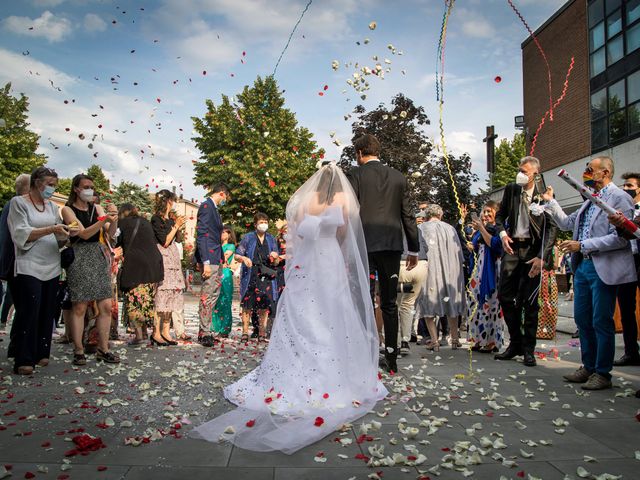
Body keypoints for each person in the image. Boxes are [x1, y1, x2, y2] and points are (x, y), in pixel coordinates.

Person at [192, 163, 386, 454]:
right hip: (329, 258)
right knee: (332, 313)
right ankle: (332, 371)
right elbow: (346, 236)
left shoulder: (304, 200)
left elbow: (294, 234)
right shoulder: (344, 200)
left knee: (305, 312)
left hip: (309, 262)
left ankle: (295, 367)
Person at [543, 156, 636, 390]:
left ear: (604, 173)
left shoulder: (620, 198)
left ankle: (602, 372)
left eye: (590, 169)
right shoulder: (589, 199)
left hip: (603, 266)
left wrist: (583, 245)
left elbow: (621, 239)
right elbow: (567, 224)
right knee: (583, 320)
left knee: (600, 320)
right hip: (582, 267)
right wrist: (551, 203)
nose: (585, 172)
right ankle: (589, 366)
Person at [347, 134, 419, 373]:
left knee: (362, 301)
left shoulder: (355, 175)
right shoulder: (399, 177)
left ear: (359, 153)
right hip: (391, 246)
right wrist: (414, 248)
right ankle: (391, 358)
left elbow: (348, 211)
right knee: (389, 303)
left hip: (363, 245)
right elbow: (408, 214)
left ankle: (363, 354)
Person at [7, 167, 73, 374]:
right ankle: (23, 357)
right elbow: (20, 233)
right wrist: (50, 229)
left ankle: (41, 352)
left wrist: (66, 233)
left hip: (51, 263)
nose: (52, 189)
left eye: (54, 185)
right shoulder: (19, 203)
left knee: (47, 310)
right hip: (29, 264)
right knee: (30, 309)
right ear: (37, 182)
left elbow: (59, 236)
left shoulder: (53, 207)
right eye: (50, 184)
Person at [494, 156, 557, 367]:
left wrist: (542, 256)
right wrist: (503, 234)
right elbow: (500, 216)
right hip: (513, 246)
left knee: (529, 301)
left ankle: (528, 349)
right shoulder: (512, 189)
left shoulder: (544, 192)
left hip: (532, 249)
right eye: (519, 170)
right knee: (505, 295)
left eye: (525, 171)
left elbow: (552, 227)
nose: (520, 174)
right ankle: (516, 342)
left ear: (535, 174)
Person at [61, 174, 120, 365]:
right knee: (80, 305)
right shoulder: (67, 210)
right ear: (76, 189)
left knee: (105, 306)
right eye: (86, 186)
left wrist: (115, 220)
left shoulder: (98, 208)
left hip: (98, 255)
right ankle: (78, 349)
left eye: (92, 187)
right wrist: (103, 221)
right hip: (79, 256)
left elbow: (110, 234)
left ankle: (103, 348)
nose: (90, 190)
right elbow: (83, 234)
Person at [415, 204, 466, 351]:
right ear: (440, 215)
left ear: (426, 216)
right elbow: (458, 252)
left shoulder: (422, 228)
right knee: (452, 301)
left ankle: (434, 340)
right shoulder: (450, 229)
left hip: (430, 268)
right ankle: (455, 338)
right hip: (451, 269)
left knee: (428, 301)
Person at [116, 203, 164, 345]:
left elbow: (116, 242)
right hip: (153, 265)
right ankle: (145, 332)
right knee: (146, 301)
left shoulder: (123, 223)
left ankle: (139, 335)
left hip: (135, 266)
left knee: (134, 301)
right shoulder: (145, 222)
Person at [194, 182, 230, 347]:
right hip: (210, 259)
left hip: (217, 258)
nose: (226, 201)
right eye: (226, 197)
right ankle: (204, 332)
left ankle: (206, 329)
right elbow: (202, 235)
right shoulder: (207, 206)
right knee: (207, 296)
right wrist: (205, 261)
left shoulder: (214, 208)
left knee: (213, 296)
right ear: (222, 193)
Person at [235, 213, 280, 343]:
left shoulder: (271, 239)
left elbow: (276, 262)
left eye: (266, 221)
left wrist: (275, 256)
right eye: (261, 222)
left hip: (266, 274)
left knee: (264, 305)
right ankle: (244, 332)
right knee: (247, 304)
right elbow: (237, 255)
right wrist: (244, 258)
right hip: (250, 273)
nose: (264, 224)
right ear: (255, 224)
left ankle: (262, 332)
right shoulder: (248, 238)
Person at [611, 172, 640, 367]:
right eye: (624, 186)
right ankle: (631, 351)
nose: (626, 188)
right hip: (627, 260)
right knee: (626, 307)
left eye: (629, 185)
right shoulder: (624, 207)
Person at [468, 201, 504, 353]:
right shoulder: (478, 231)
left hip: (491, 271)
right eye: (484, 211)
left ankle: (491, 341)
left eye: (490, 211)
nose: (486, 214)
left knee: (491, 305)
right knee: (475, 305)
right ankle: (477, 338)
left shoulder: (498, 229)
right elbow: (477, 246)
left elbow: (495, 244)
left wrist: (482, 229)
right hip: (478, 271)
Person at [151, 190, 187, 346]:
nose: (173, 204)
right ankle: (156, 332)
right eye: (172, 201)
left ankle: (166, 331)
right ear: (166, 202)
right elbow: (164, 241)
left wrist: (178, 226)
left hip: (173, 259)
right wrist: (175, 226)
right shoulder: (155, 219)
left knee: (171, 296)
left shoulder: (171, 220)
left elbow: (177, 239)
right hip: (162, 259)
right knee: (161, 296)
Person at [0, 174, 30, 335]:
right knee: (20, 301)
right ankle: (17, 340)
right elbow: (11, 238)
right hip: (16, 261)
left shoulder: (11, 204)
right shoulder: (17, 204)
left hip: (12, 261)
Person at [396, 213, 428, 356]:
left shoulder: (393, 226)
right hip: (420, 264)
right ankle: (405, 341)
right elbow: (425, 247)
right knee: (408, 304)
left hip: (401, 264)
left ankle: (395, 342)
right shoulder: (417, 229)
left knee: (394, 305)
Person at [212, 225, 237, 338]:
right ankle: (216, 327)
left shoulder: (230, 246)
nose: (221, 234)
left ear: (228, 234)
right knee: (215, 300)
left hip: (225, 273)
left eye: (223, 233)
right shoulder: (216, 245)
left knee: (225, 300)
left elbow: (224, 257)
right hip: (216, 272)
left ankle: (225, 329)